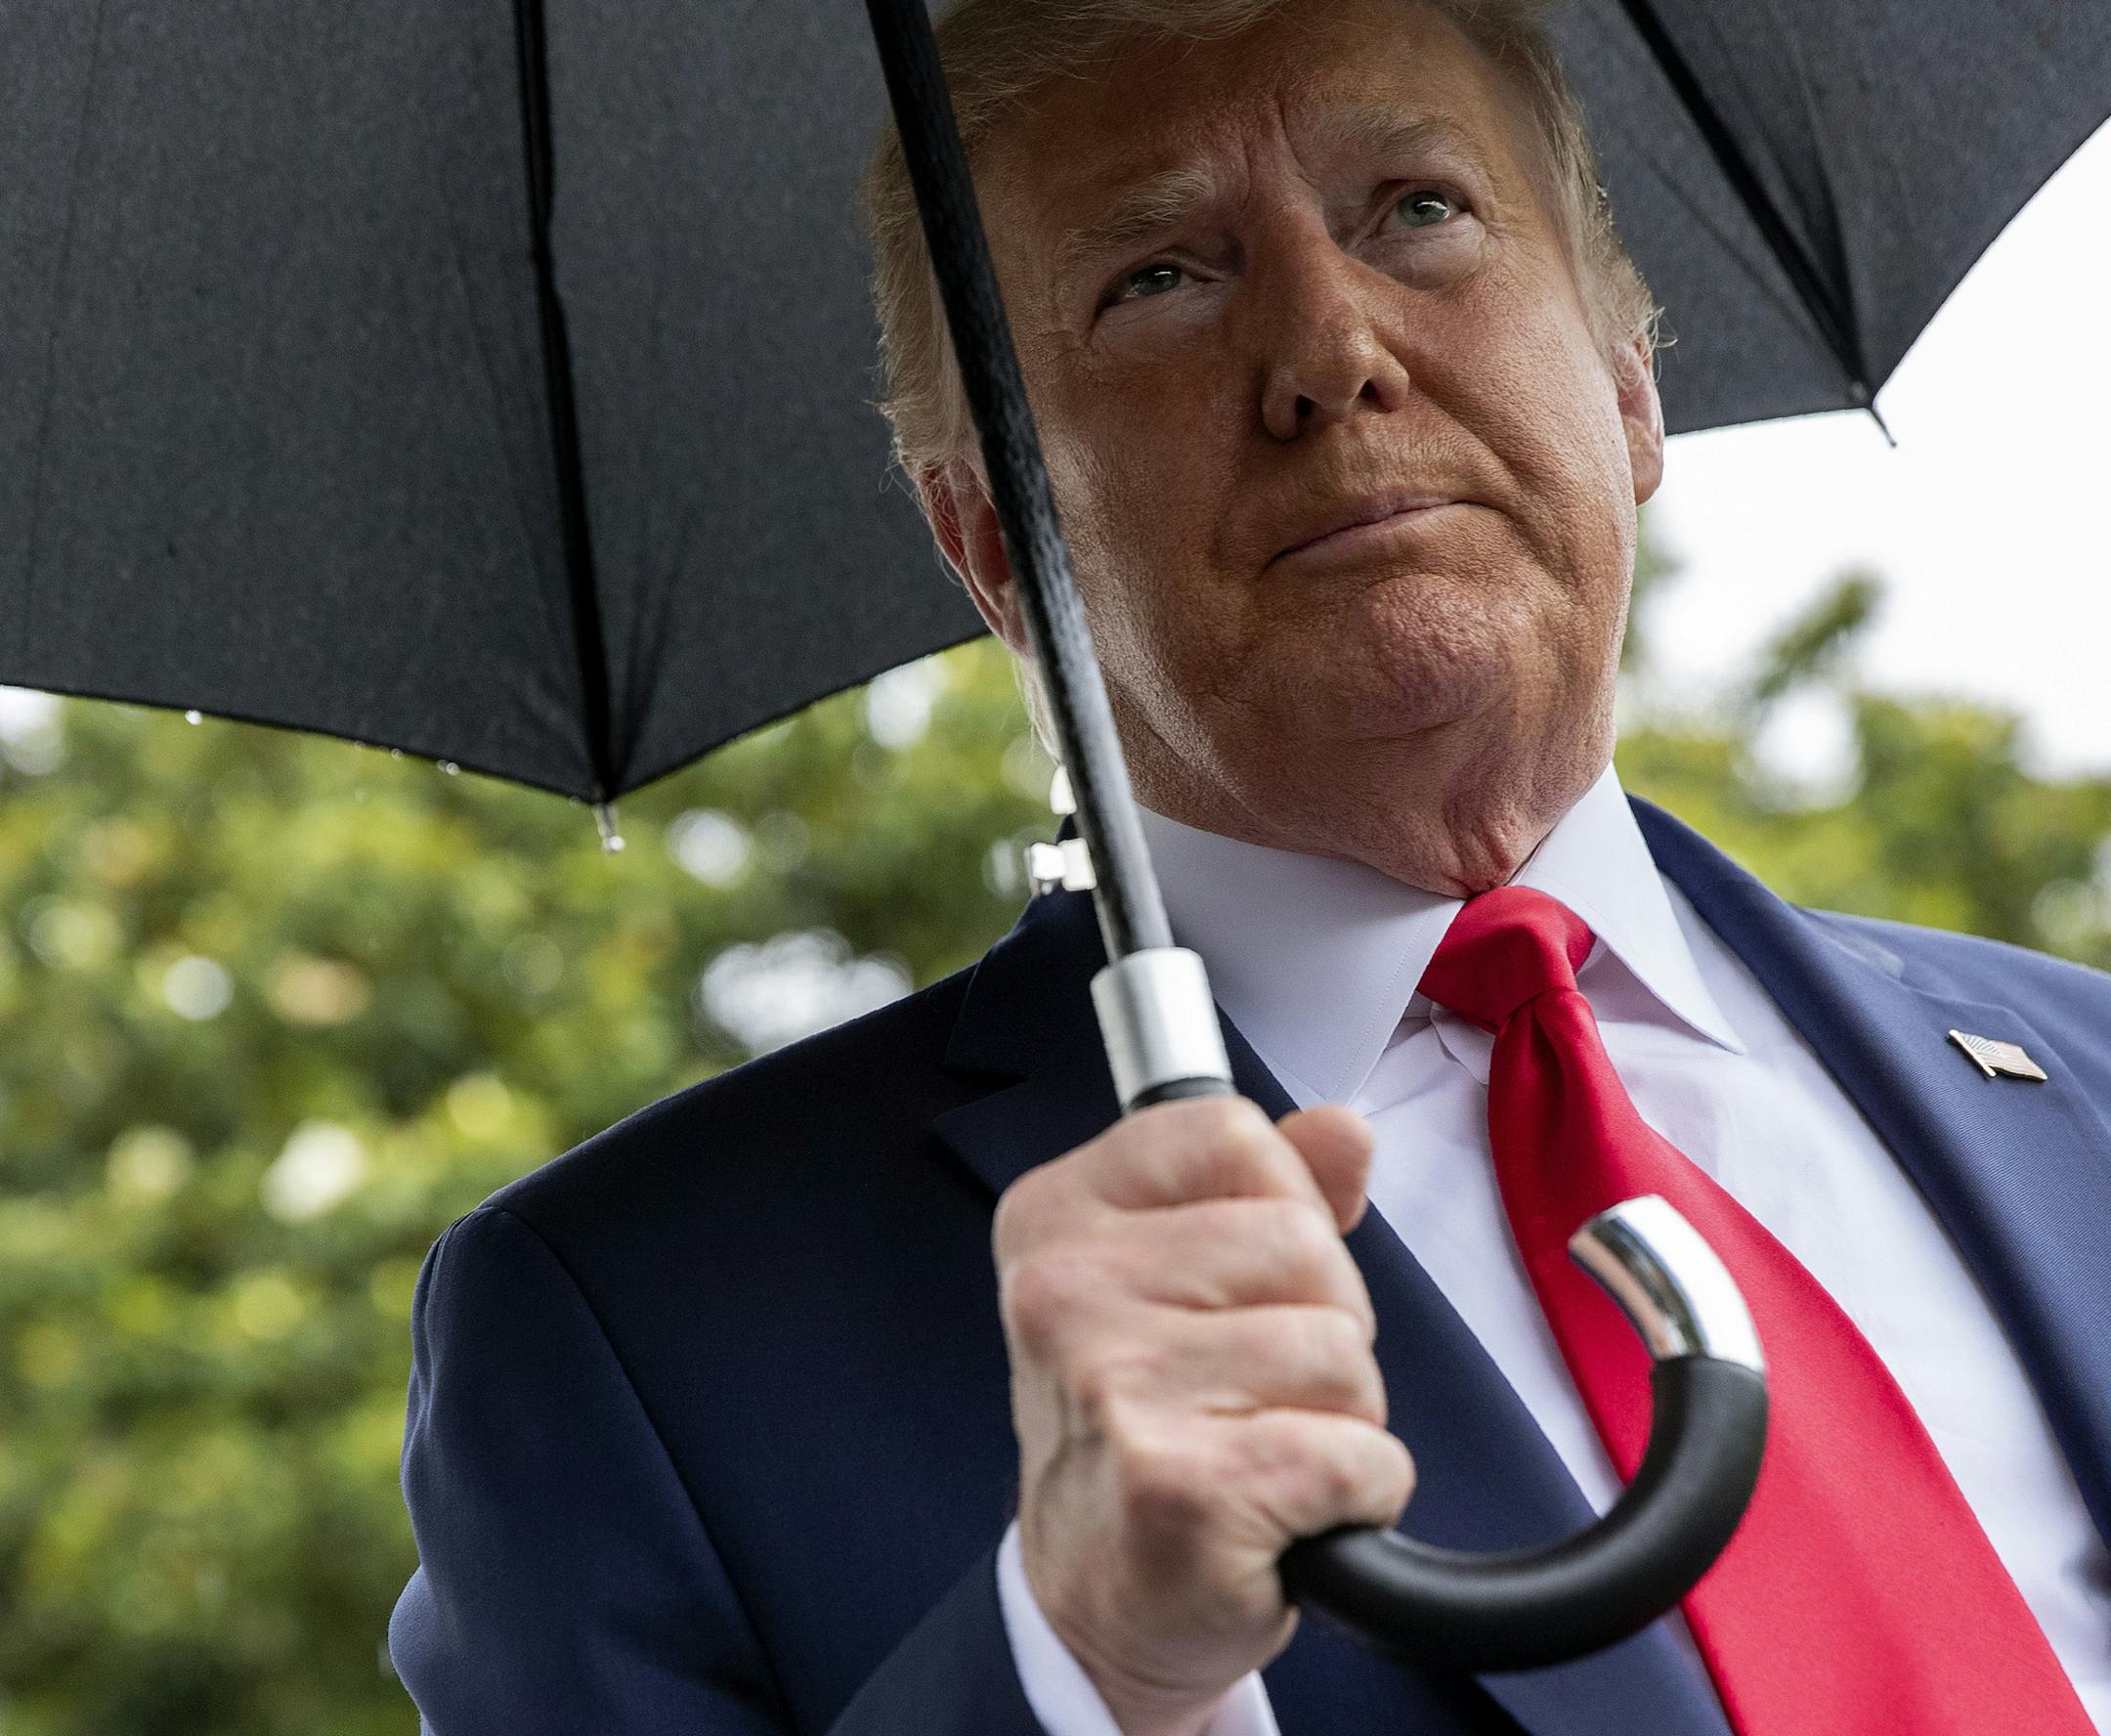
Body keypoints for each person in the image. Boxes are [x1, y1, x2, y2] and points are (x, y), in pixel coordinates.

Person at [385, 0, 2111, 1730]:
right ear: (992, 540)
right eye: (1160, 280)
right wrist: (1090, 1671)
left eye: (1418, 207)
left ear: (1629, 381)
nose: (1330, 347)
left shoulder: (2086, 1078)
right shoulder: (641, 1334)